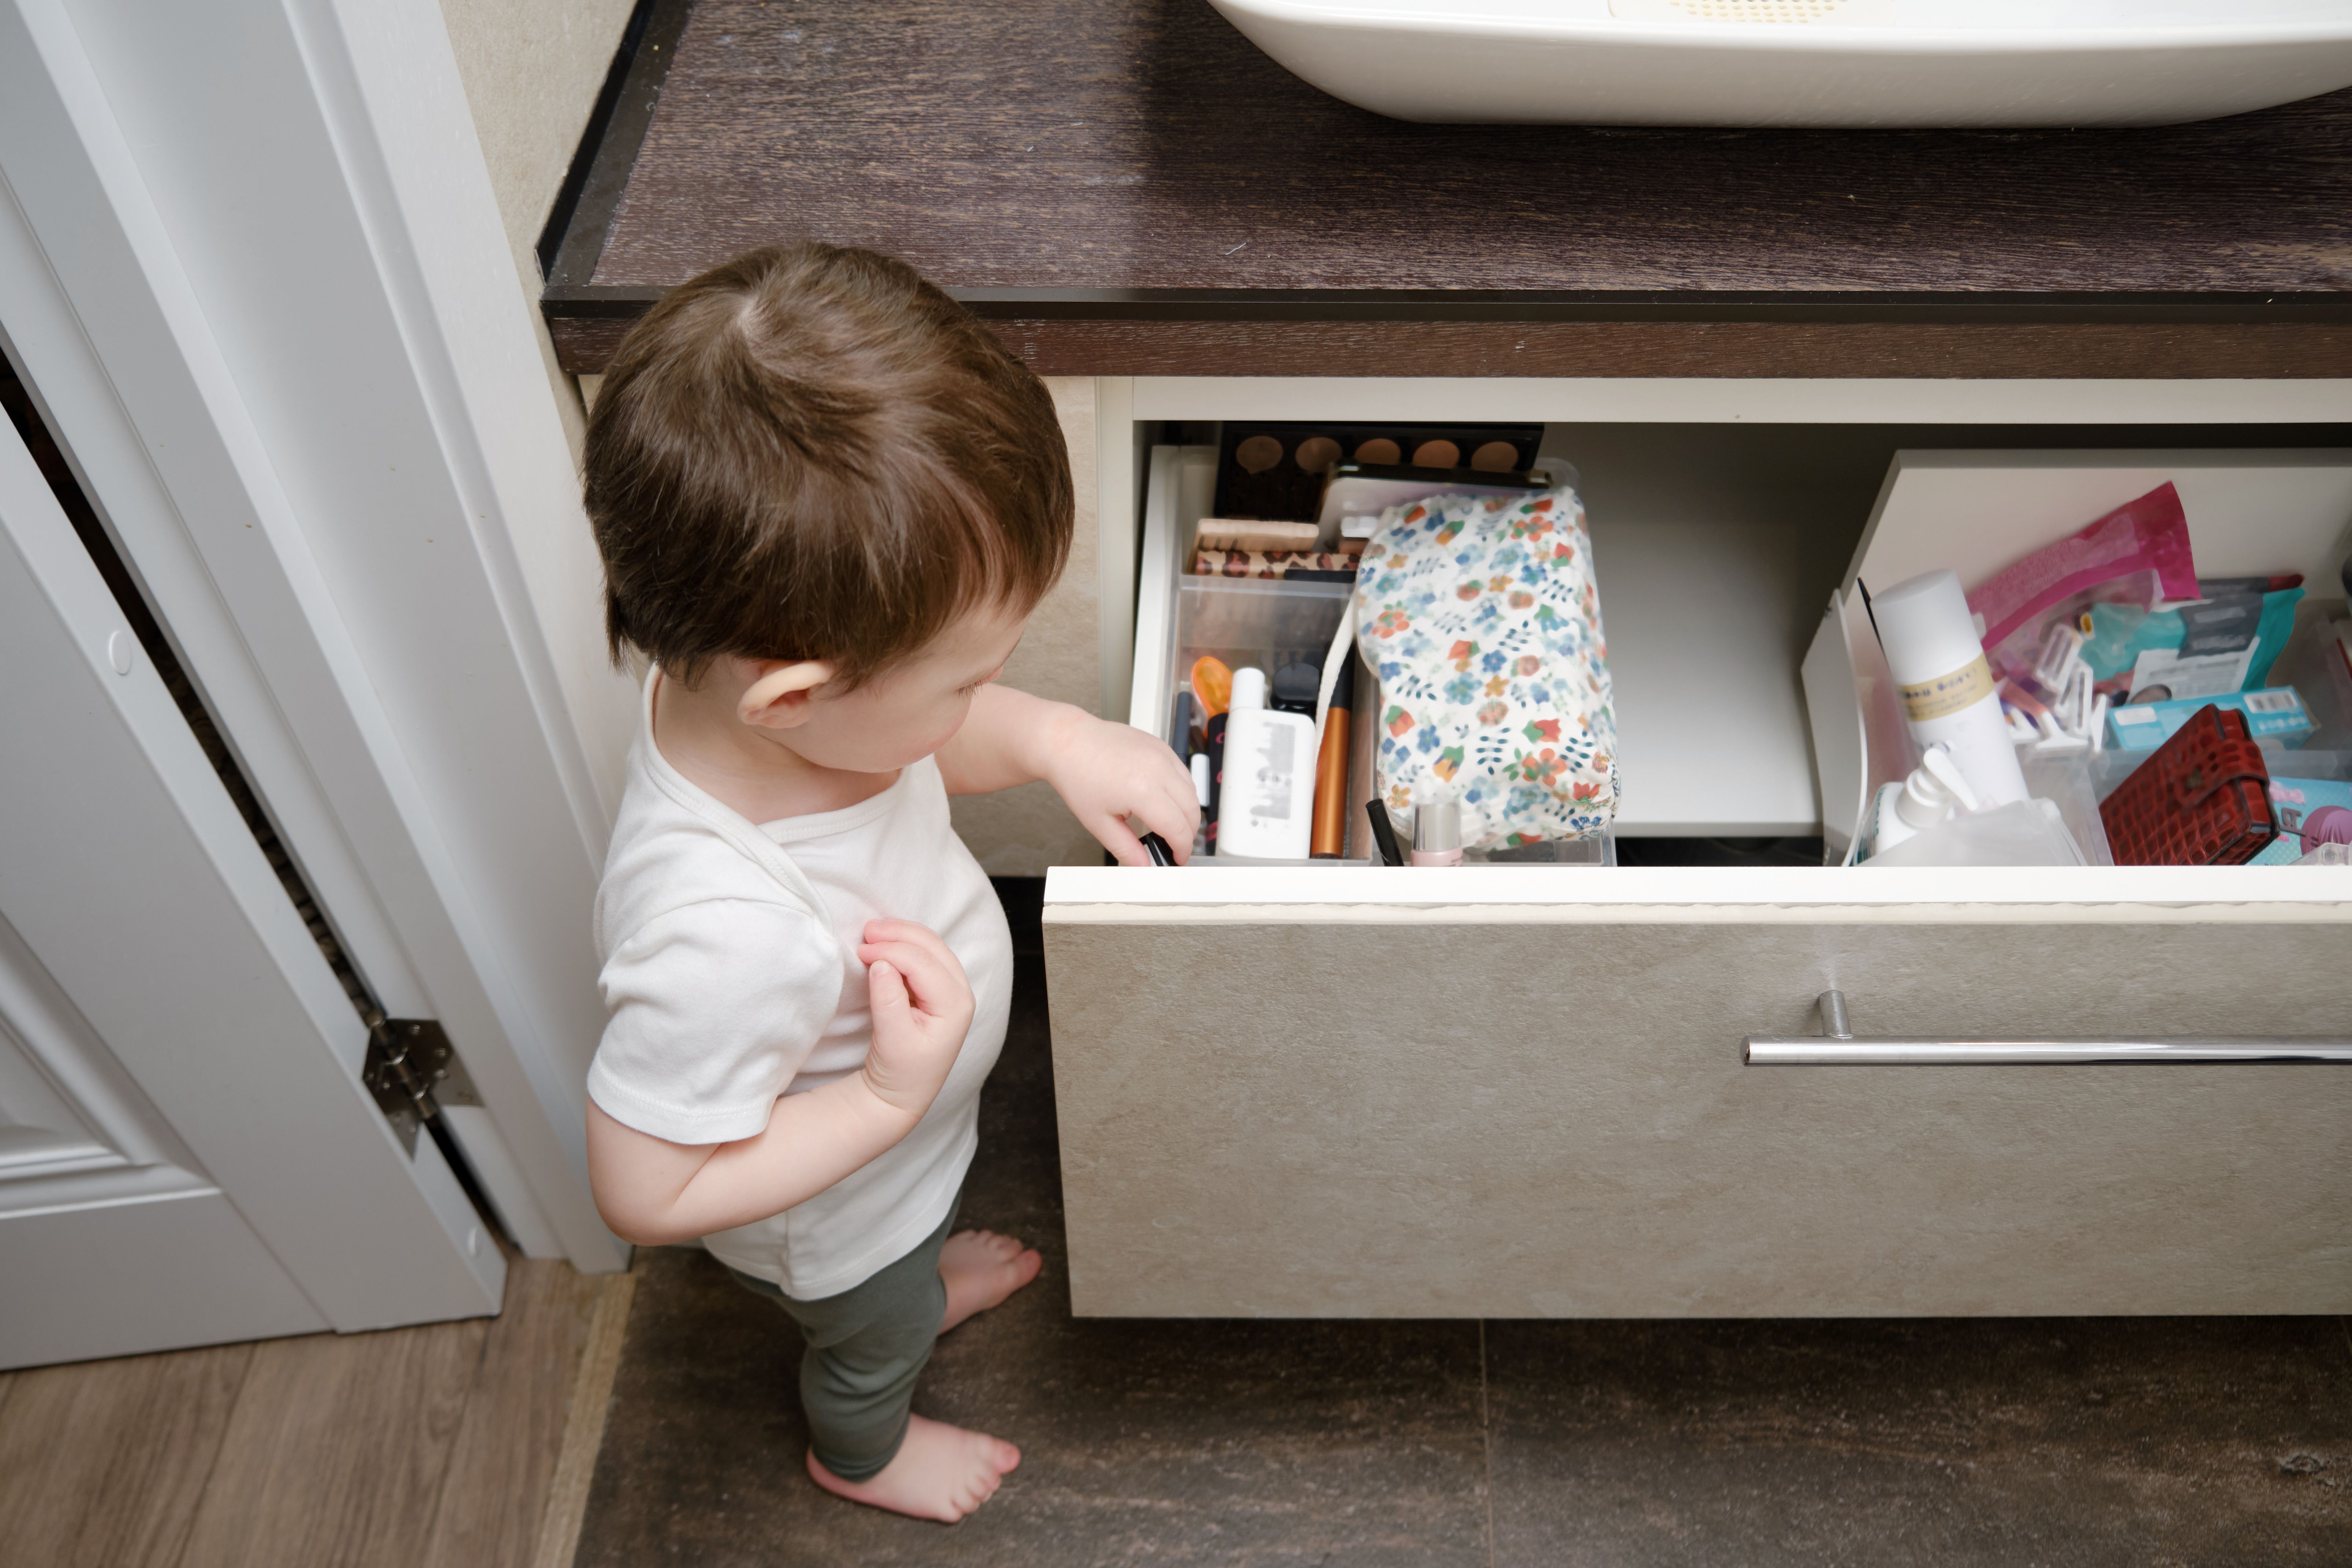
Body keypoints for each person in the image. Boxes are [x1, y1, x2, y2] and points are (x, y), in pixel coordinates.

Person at [577, 244, 1198, 1523]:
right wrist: (882, 1094)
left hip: (901, 1162)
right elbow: (644, 1193)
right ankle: (858, 1446)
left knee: (910, 1269)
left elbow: (906, 740)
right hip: (839, 1226)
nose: (975, 703)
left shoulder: (761, 711)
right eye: (967, 680)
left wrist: (1052, 740)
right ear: (797, 695)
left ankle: (918, 1283)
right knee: (870, 1340)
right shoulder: (728, 933)